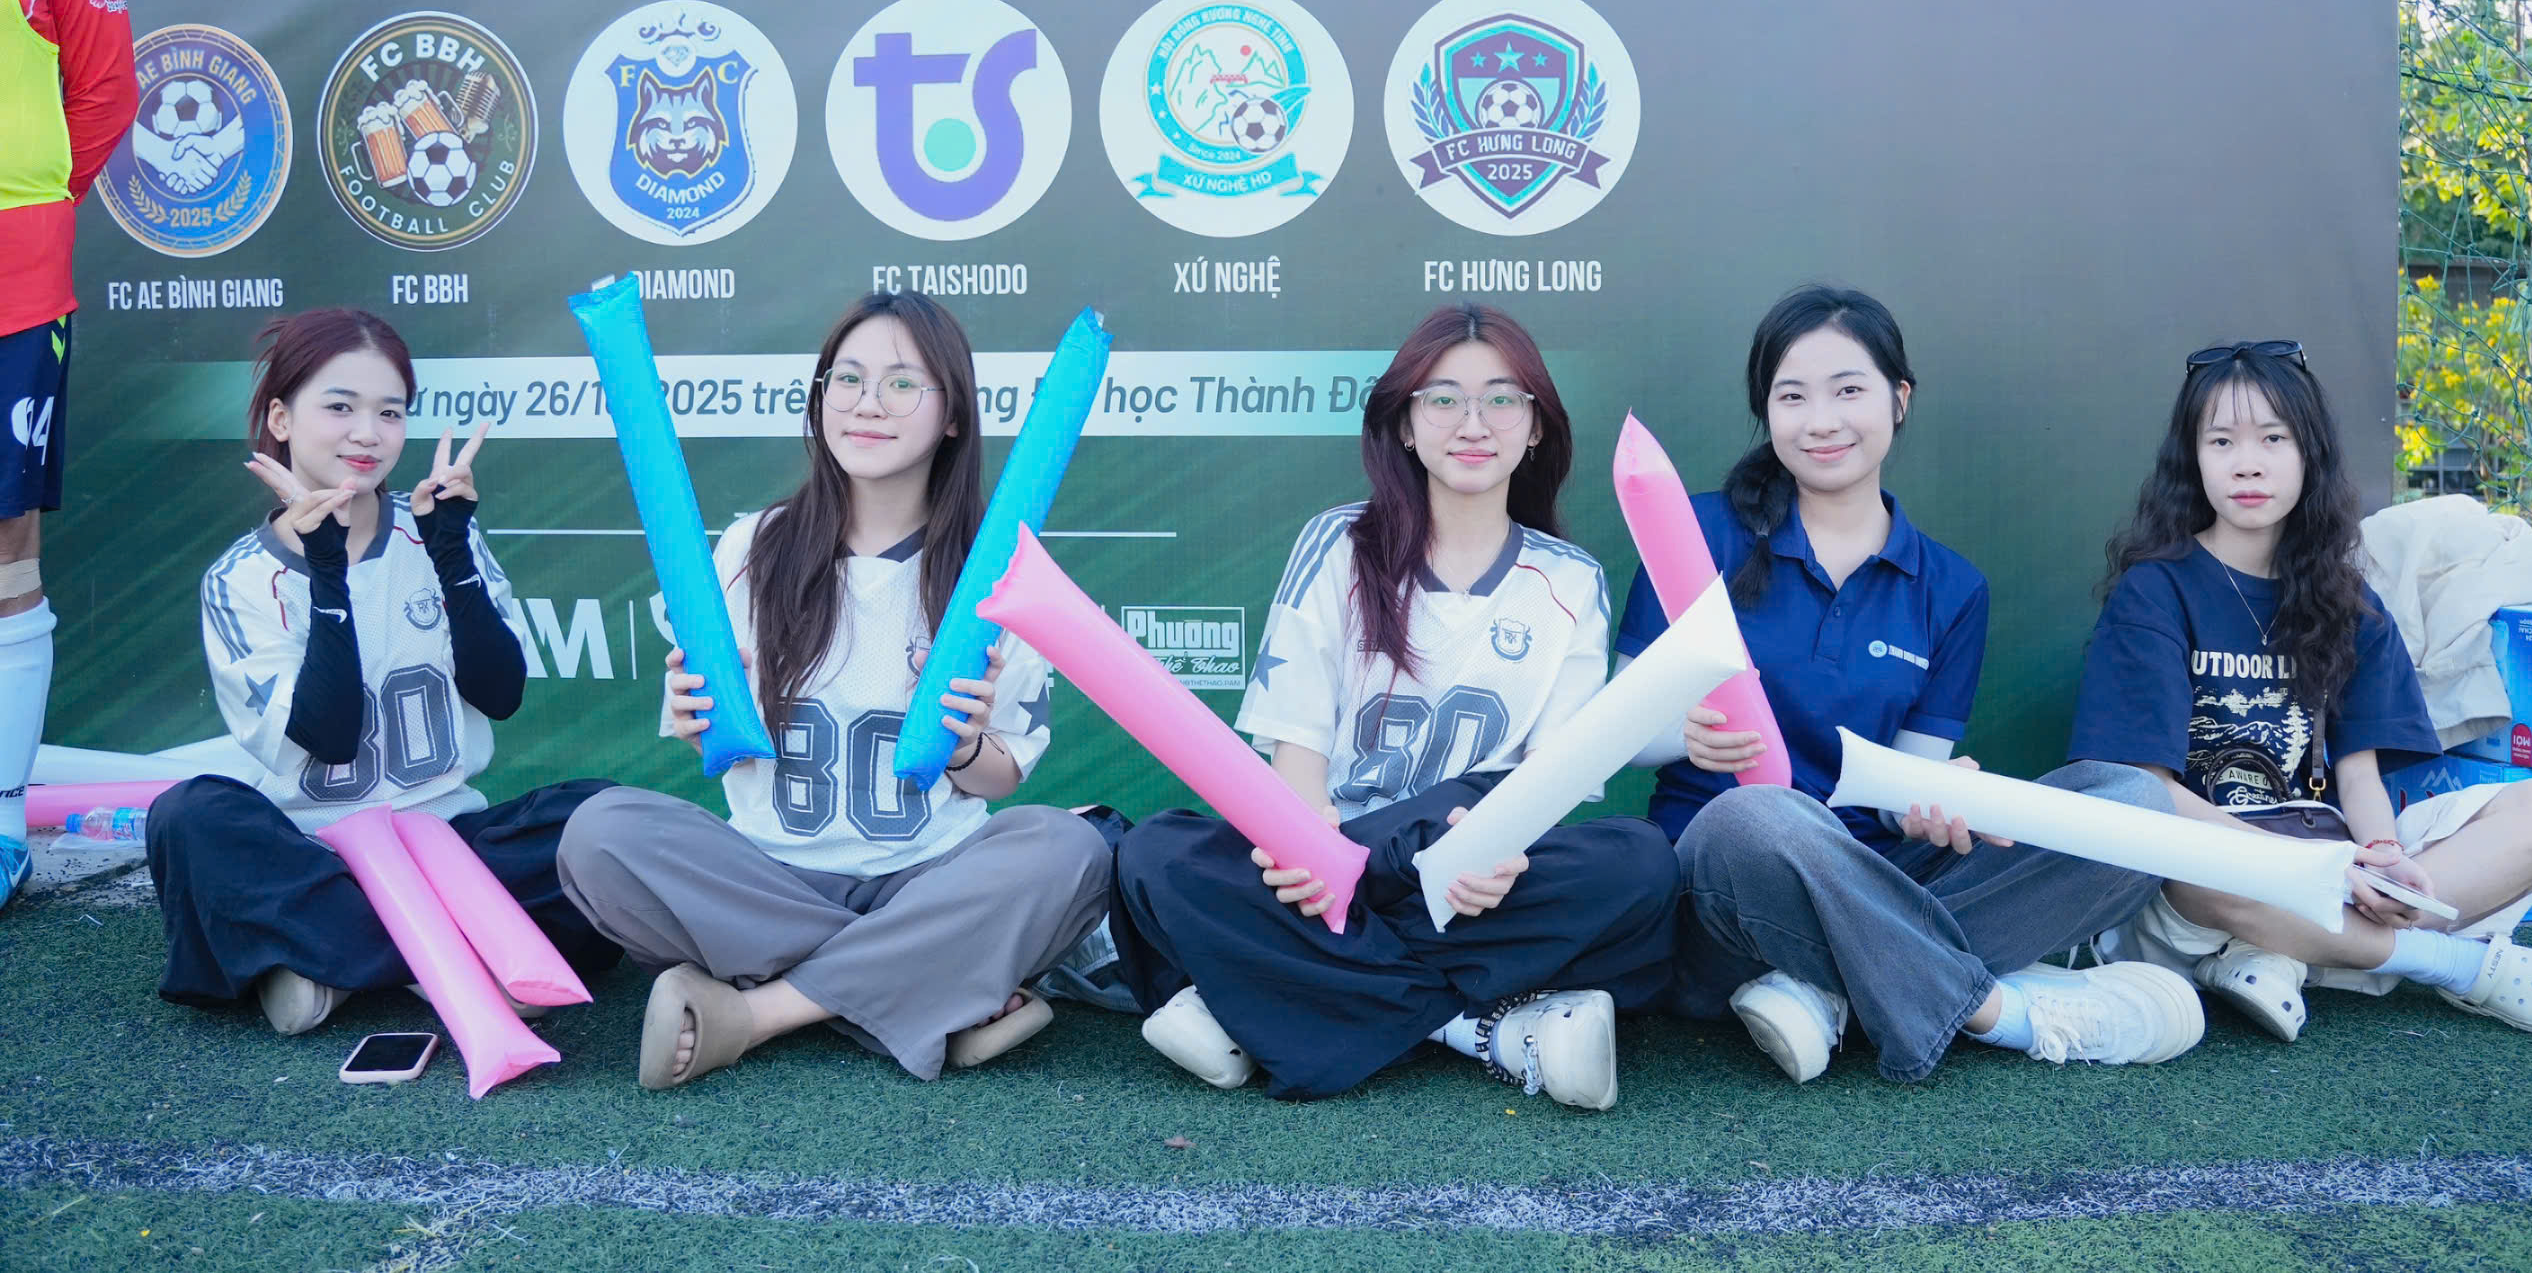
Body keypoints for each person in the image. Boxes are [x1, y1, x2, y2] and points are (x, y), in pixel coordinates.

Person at [1624, 286, 2202, 1084]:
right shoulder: (1699, 532)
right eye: (1792, 397)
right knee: (1754, 817)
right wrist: (1683, 730)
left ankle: (1829, 991)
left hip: (1885, 873)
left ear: (1899, 399)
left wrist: (1932, 804)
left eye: (1848, 390)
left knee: (2133, 805)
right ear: (1767, 412)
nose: (1821, 420)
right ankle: (2006, 1014)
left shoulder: (1951, 587)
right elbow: (1624, 735)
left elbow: (1903, 783)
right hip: (1729, 891)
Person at [1114, 303, 1676, 1109]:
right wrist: (1306, 848)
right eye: (1443, 399)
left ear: (1535, 427)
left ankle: (1260, 998)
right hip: (1344, 859)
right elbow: (1297, 747)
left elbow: (1548, 779)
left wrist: (1498, 855)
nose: (1473, 423)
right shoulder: (1340, 543)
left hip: (1479, 869)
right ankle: (1480, 1028)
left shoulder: (1570, 578)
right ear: (1406, 426)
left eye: (1502, 398)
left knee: (1640, 864)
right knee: (1156, 856)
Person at [554, 292, 1111, 1089]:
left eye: (901, 384)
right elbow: (716, 745)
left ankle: (757, 1012)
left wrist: (963, 749)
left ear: (954, 415)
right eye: (846, 380)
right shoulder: (752, 547)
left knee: (1067, 852)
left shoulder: (995, 569)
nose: (867, 404)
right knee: (600, 834)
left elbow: (1003, 778)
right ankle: (930, 990)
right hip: (767, 878)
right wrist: (694, 718)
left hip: (926, 876)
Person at [2070, 340, 2532, 1038]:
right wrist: (2312, 870)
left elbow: (2357, 776)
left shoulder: (2346, 598)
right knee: (2195, 867)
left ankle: (2290, 954)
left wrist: (2384, 860)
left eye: (2274, 438)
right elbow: (2145, 790)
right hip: (2211, 874)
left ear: (2310, 454)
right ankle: (2455, 964)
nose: (2247, 462)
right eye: (2221, 441)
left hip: (2328, 852)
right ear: (2193, 459)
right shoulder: (2156, 590)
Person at [148, 308, 619, 1032]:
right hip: (315, 858)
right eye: (340, 407)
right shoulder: (238, 580)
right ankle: (464, 955)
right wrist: (327, 570)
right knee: (189, 817)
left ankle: (330, 964)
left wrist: (451, 553)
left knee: (602, 818)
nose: (367, 433)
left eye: (390, 412)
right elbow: (330, 737)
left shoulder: (435, 530)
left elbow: (501, 694)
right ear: (281, 418)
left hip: (450, 843)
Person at [0, 0, 136, 907]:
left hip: (12, 277)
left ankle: (3, 826)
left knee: (5, 547)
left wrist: (35, 206)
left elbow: (103, 95)